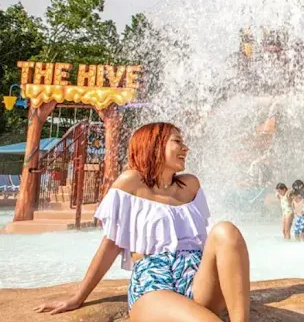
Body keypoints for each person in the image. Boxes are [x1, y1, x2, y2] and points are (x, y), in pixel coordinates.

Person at [33, 122, 251, 322]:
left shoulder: (191, 185)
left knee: (226, 230)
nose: (185, 148)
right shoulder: (131, 183)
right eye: (177, 141)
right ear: (154, 145)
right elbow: (111, 244)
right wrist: (77, 297)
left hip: (197, 279)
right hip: (154, 282)